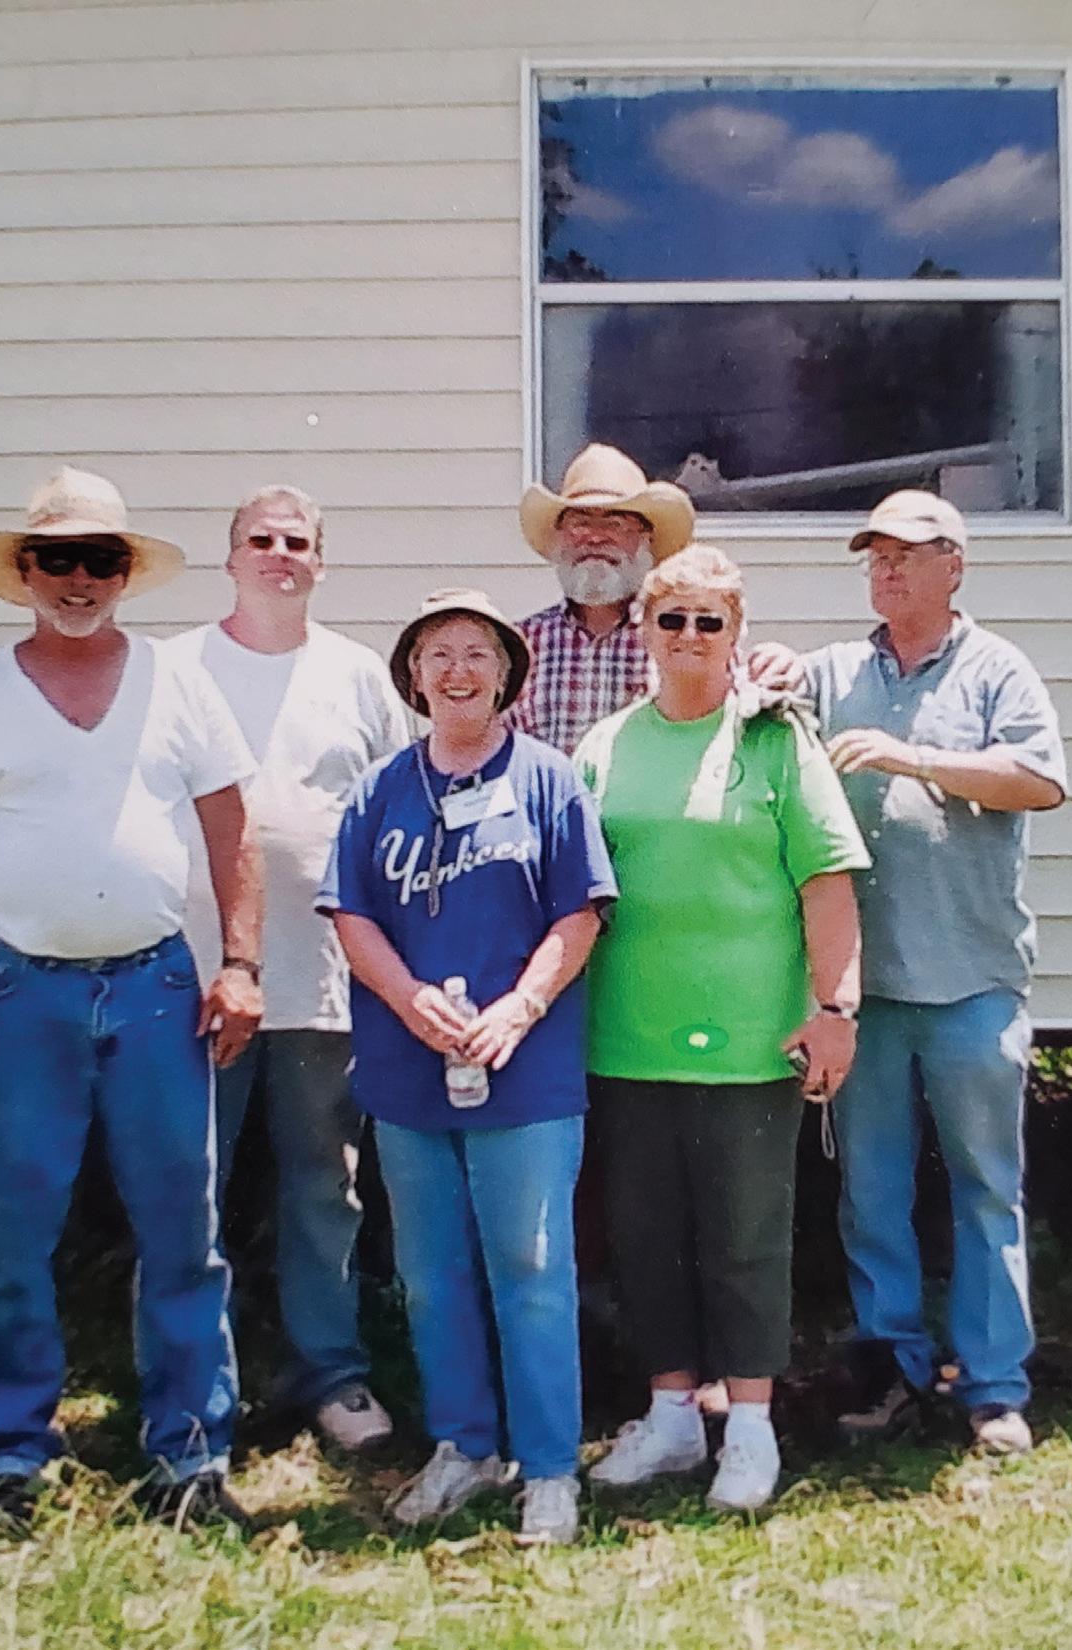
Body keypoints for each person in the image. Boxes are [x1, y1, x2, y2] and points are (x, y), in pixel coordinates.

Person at [0, 466, 266, 1533]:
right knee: (14, 1231)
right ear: (26, 573)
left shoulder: (177, 683)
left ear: (125, 576)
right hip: (21, 996)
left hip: (154, 993)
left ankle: (189, 1458)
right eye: (59, 560)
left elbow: (232, 827)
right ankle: (13, 1454)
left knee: (183, 1231)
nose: (79, 581)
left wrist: (239, 965)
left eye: (100, 561)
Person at [318, 588, 615, 1546]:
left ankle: (549, 1467)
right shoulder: (380, 789)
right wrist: (409, 1001)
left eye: (477, 654)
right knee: (430, 1271)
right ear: (413, 675)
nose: (457, 670)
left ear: (506, 675)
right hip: (409, 1072)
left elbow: (581, 912)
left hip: (523, 1071)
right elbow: (352, 914)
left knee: (531, 1265)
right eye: (438, 653)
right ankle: (463, 1446)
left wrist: (521, 1008)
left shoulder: (549, 781)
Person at [574, 547, 868, 1512]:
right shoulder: (604, 747)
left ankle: (748, 1428)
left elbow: (826, 886)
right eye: (672, 620)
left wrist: (835, 1011)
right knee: (646, 1237)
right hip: (626, 1038)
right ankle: (667, 1420)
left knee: (745, 1241)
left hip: (754, 1043)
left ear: (737, 633)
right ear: (646, 632)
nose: (690, 638)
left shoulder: (778, 742)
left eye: (710, 621)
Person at [798, 490, 1068, 1458]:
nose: (887, 571)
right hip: (863, 990)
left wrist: (913, 758)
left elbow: (1038, 781)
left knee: (983, 1187)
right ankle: (891, 1371)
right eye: (873, 557)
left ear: (954, 564)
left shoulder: (996, 669)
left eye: (907, 556)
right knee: (868, 1193)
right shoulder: (835, 670)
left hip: (971, 978)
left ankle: (993, 1388)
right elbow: (778, 716)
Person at [166, 485, 411, 1453]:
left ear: (320, 563)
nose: (278, 554)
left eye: (297, 542)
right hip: (192, 978)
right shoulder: (173, 669)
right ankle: (191, 1387)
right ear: (228, 559)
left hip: (320, 980)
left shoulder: (356, 676)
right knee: (191, 1186)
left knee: (323, 1183)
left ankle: (332, 1376)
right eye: (259, 540)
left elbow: (394, 816)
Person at [510, 442, 696, 760]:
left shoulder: (685, 636)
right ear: (559, 537)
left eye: (615, 523)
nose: (596, 537)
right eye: (580, 523)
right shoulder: (521, 645)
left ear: (645, 539)